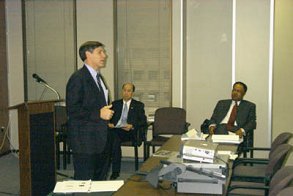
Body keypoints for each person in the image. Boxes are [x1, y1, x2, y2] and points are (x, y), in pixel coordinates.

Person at [66, 41, 114, 180]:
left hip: (101, 139)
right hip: (85, 142)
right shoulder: (78, 78)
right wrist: (99, 114)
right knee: (85, 181)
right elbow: (72, 110)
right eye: (100, 52)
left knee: (99, 181)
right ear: (88, 54)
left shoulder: (99, 78)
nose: (104, 55)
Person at [108, 83, 147, 180]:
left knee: (113, 139)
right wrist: (109, 124)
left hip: (130, 132)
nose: (126, 93)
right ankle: (115, 171)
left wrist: (132, 126)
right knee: (114, 138)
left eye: (129, 91)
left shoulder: (138, 105)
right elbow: (108, 118)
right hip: (116, 131)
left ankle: (115, 171)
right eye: (124, 90)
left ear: (132, 93)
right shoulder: (115, 104)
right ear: (122, 91)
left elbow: (143, 121)